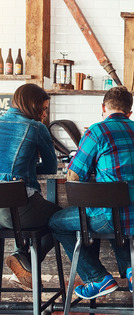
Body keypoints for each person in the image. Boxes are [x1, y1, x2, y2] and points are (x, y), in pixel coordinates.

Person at [49, 86, 134, 299]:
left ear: (103, 107)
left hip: (113, 217)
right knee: (114, 217)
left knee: (57, 223)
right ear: (130, 113)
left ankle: (97, 278)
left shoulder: (97, 131)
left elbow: (73, 176)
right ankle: (131, 271)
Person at [0, 84, 60, 291]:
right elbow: (51, 167)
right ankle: (23, 259)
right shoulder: (36, 128)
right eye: (43, 109)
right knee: (64, 221)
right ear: (32, 105)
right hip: (19, 209)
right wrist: (30, 168)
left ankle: (23, 262)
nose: (44, 114)